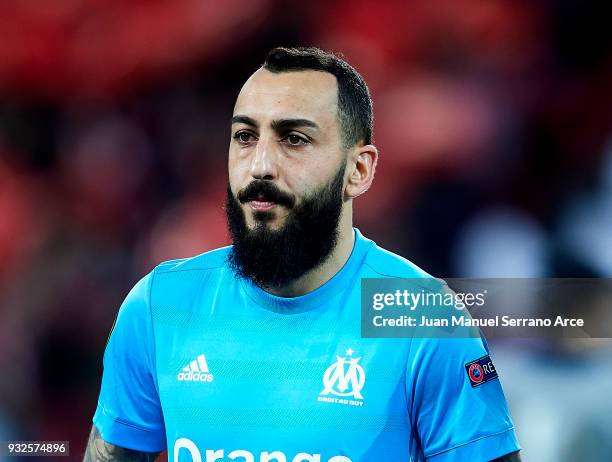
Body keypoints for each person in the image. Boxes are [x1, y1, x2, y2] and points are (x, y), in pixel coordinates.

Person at [84, 47, 521, 462]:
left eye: (294, 139)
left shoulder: (422, 318)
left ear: (359, 170)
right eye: (245, 136)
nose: (260, 166)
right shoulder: (160, 304)